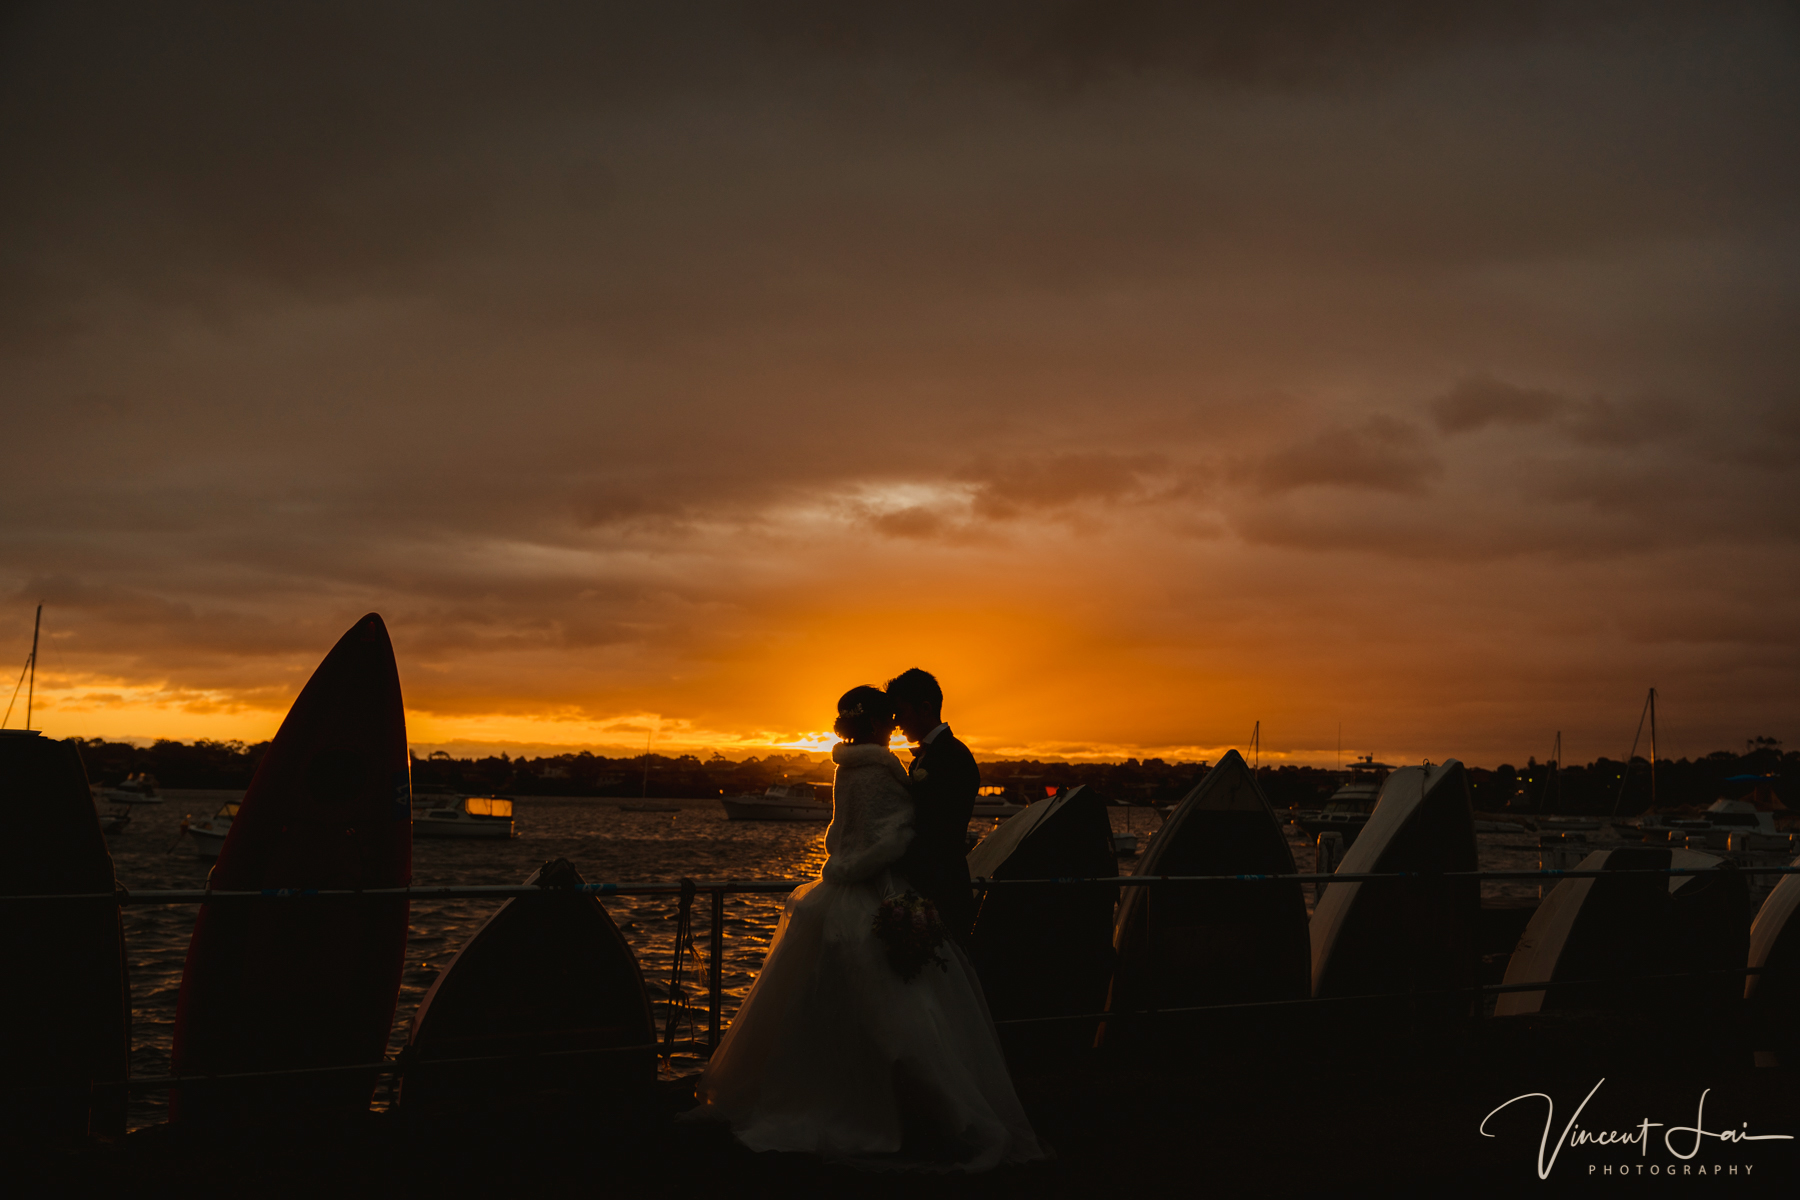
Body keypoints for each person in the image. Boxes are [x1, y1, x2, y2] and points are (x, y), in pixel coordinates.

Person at [690, 685, 1043, 1170]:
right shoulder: (881, 769)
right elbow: (894, 833)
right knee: (907, 1005)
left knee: (828, 1000)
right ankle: (909, 1108)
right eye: (889, 719)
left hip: (840, 890)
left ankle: (829, 1093)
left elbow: (839, 834)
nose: (896, 725)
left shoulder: (843, 768)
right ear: (877, 724)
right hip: (880, 889)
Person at [887, 668, 981, 944]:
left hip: (941, 889)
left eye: (900, 712)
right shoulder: (929, 756)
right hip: (931, 885)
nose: (895, 723)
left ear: (925, 708)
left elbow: (938, 830)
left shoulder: (951, 757)